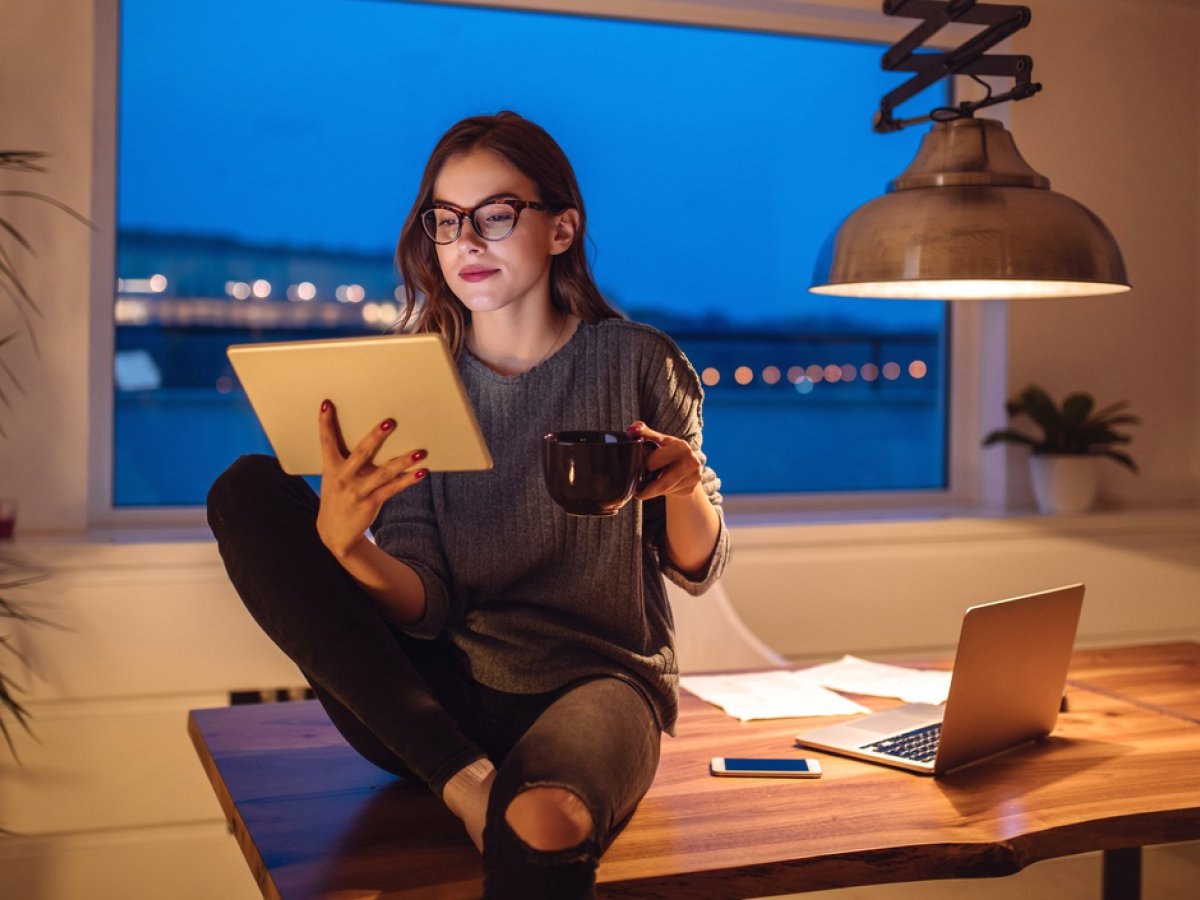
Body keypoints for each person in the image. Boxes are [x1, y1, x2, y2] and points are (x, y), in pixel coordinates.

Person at [206, 110, 729, 898]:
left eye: (495, 215)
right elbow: (423, 603)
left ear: (561, 229)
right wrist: (351, 549)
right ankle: (460, 780)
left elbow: (695, 567)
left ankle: (484, 790)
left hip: (597, 683)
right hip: (434, 703)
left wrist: (687, 486)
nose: (468, 242)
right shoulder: (417, 380)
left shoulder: (639, 361)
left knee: (547, 821)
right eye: (446, 222)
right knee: (245, 488)